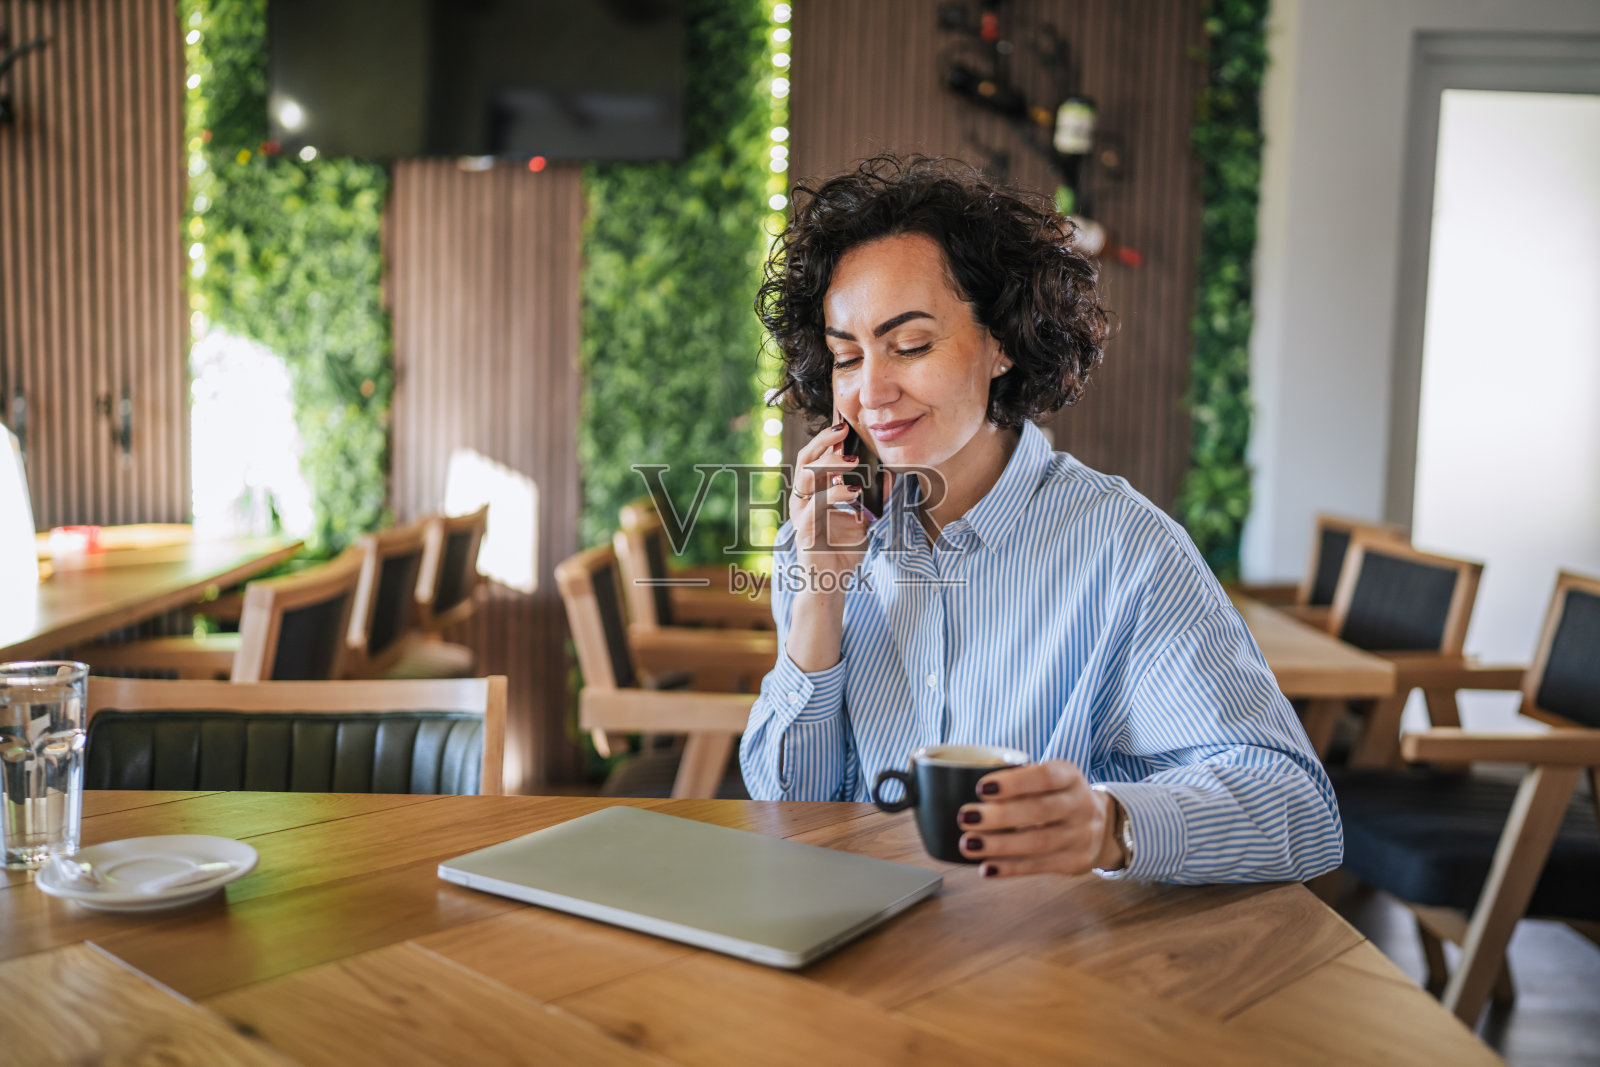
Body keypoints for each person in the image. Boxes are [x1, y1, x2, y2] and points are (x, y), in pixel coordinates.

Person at [741, 155, 1342, 884]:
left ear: (1000, 342)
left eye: (911, 345)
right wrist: (820, 597)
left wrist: (1110, 824)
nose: (871, 391)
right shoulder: (824, 540)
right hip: (861, 949)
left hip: (1055, 966)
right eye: (846, 357)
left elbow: (1301, 811)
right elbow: (787, 808)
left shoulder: (1126, 551)